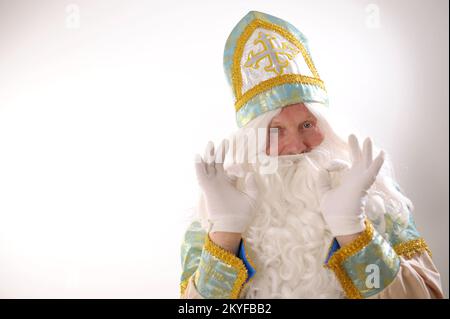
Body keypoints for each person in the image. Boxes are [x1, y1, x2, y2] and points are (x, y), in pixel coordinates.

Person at [180, 11, 444, 299]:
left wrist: (352, 229)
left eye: (307, 125)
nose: (297, 147)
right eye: (276, 131)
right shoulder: (212, 213)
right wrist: (226, 231)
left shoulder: (378, 199)